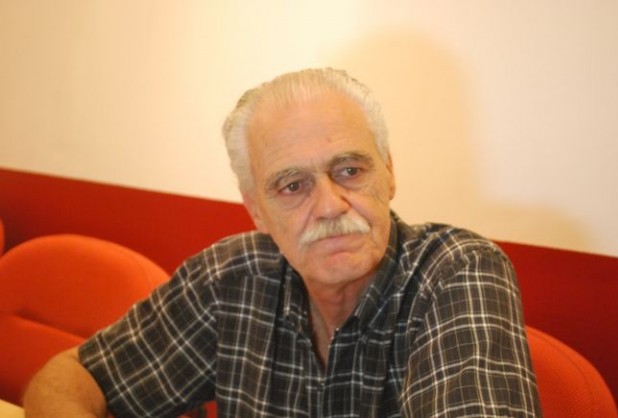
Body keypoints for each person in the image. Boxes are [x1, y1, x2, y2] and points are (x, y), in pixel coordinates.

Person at [24, 68, 541, 417]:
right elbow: (70, 377)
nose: (330, 205)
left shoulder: (456, 273)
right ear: (257, 210)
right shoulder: (231, 277)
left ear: (388, 173)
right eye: (292, 186)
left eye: (350, 169)